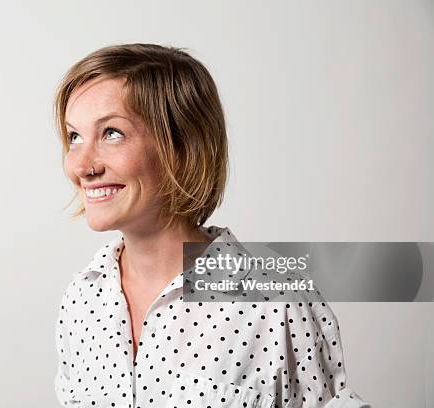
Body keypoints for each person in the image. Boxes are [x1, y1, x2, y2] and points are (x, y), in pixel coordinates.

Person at [53, 43, 369, 408]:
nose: (81, 165)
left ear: (183, 147)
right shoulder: (81, 301)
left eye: (112, 133)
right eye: (74, 136)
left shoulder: (276, 303)